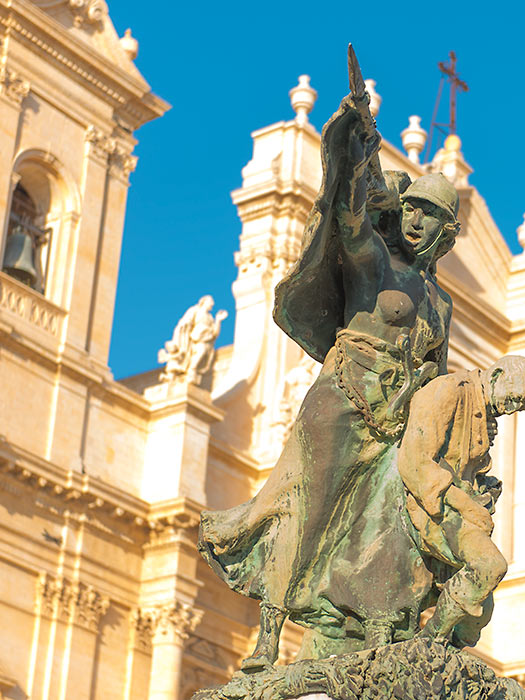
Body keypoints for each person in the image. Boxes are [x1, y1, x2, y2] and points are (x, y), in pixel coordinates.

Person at [199, 56, 462, 669]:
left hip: (395, 422)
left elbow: (438, 378)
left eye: (434, 218)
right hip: (343, 402)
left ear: (448, 235)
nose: (419, 222)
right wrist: (351, 147)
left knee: (401, 523)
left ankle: (379, 630)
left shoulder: (441, 302)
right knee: (308, 511)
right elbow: (346, 221)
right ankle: (269, 635)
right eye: (414, 210)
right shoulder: (378, 264)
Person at [398, 356, 525, 646]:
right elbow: (415, 462)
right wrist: (466, 504)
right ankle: (428, 644)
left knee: (479, 615)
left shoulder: (485, 414)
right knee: (490, 566)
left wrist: (485, 492)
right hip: (429, 504)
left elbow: (470, 471)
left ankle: (450, 658)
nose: (510, 411)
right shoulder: (449, 390)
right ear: (496, 375)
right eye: (512, 400)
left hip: (460, 510)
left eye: (519, 407)